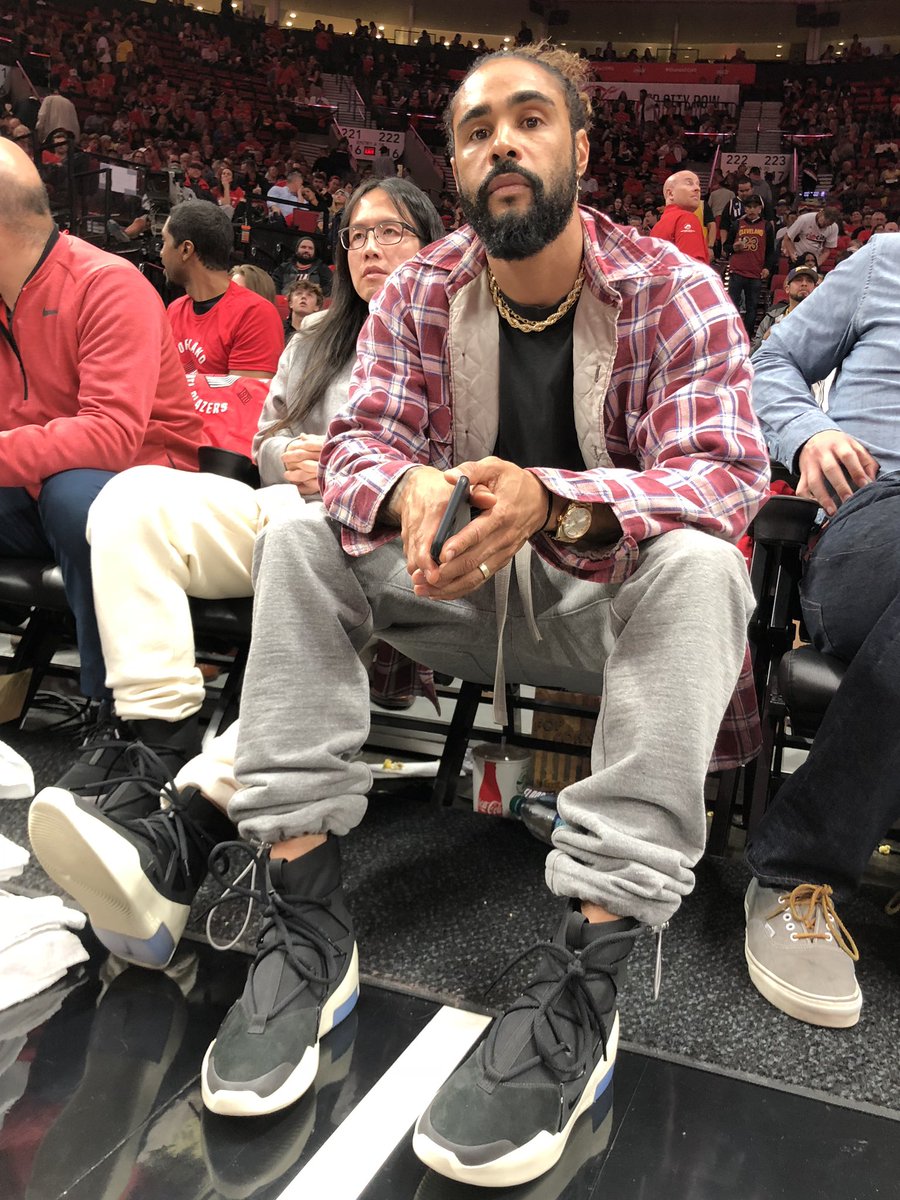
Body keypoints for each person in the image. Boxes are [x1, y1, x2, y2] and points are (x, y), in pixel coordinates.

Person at [33, 45, 767, 1180]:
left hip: (598, 597)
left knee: (710, 570)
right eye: (477, 131)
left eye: (530, 121)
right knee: (298, 532)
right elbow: (359, 441)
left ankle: (586, 978)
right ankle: (306, 921)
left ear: (580, 145)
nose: (502, 145)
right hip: (448, 593)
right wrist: (407, 484)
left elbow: (723, 475)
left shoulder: (677, 290)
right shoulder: (425, 288)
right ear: (459, 167)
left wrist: (556, 503)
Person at [28, 173, 444, 949]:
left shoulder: (456, 336)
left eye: (391, 232)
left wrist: (363, 474)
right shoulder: (318, 335)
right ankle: (155, 744)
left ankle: (188, 822)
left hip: (377, 532)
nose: (371, 248)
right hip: (288, 503)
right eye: (356, 235)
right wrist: (291, 459)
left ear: (431, 242)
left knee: (308, 549)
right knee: (131, 499)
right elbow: (262, 444)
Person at [744, 234, 900, 1030]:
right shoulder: (885, 263)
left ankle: (796, 868)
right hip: (879, 515)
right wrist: (807, 433)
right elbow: (766, 365)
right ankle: (799, 871)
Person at [0, 139, 201, 705]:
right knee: (63, 492)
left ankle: (114, 712)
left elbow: (110, 439)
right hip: (45, 485)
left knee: (75, 497)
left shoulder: (107, 284)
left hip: (145, 485)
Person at [162, 200, 284, 378]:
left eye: (165, 241)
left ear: (186, 249)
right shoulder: (174, 310)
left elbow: (245, 400)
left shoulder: (255, 313)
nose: (161, 252)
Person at [724, 193, 776, 336]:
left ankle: (747, 336)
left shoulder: (766, 226)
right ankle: (730, 333)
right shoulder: (736, 224)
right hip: (736, 271)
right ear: (745, 209)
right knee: (732, 304)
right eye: (749, 207)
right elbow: (726, 246)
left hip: (755, 272)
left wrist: (767, 267)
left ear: (760, 209)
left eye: (755, 207)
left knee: (751, 307)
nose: (752, 210)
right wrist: (733, 247)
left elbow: (771, 251)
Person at [749, 264, 818, 355]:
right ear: (787, 288)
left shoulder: (823, 320)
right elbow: (753, 354)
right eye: (798, 280)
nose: (804, 283)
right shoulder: (771, 318)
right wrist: (765, 339)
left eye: (809, 281)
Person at [649, 170, 710, 263]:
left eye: (698, 184)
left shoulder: (656, 227)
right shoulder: (686, 217)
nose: (697, 188)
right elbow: (692, 265)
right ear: (670, 193)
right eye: (689, 183)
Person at [781, 206, 841, 270]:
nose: (824, 226)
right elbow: (787, 237)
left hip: (815, 260)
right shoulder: (804, 219)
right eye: (824, 223)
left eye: (828, 225)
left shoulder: (834, 227)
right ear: (821, 213)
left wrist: (817, 264)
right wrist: (793, 255)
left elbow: (827, 250)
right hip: (799, 256)